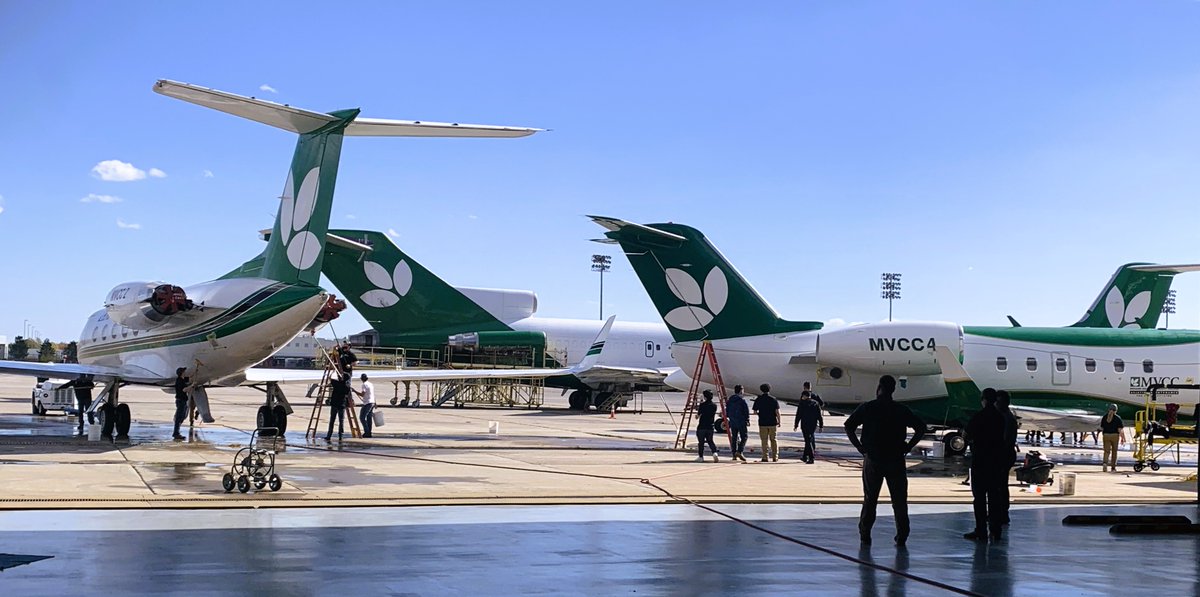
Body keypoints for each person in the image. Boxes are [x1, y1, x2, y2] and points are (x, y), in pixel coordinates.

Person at [845, 375, 928, 546]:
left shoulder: (868, 408)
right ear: (893, 389)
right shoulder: (901, 409)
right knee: (899, 501)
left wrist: (860, 447)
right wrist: (908, 446)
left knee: (870, 499)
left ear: (879, 388)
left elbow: (849, 426)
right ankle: (902, 534)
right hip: (895, 459)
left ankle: (865, 533)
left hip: (873, 458)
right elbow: (921, 428)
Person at [964, 388, 1007, 541]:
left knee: (980, 498)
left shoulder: (978, 417)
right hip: (995, 461)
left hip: (980, 461)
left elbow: (967, 434)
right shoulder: (1000, 418)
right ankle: (996, 530)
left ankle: (980, 530)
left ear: (983, 399)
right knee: (995, 497)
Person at [995, 390, 1018, 526]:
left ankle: (1002, 513)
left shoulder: (1006, 419)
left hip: (1003, 455)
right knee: (1001, 485)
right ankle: (1002, 512)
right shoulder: (1007, 417)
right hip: (1006, 454)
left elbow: (1005, 440)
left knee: (1000, 485)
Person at [793, 386, 825, 464]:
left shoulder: (802, 404)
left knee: (808, 441)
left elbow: (798, 415)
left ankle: (811, 457)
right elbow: (819, 416)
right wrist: (821, 426)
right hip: (813, 424)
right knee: (809, 439)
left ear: (804, 396)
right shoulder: (816, 403)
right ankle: (805, 456)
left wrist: (796, 425)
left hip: (805, 424)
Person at [753, 383, 781, 462]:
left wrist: (760, 414)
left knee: (764, 440)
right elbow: (777, 412)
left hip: (762, 422)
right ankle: (775, 457)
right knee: (774, 440)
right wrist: (779, 421)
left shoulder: (759, 399)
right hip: (772, 422)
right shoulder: (773, 399)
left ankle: (765, 457)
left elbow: (755, 411)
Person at [725, 385, 750, 462]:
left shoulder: (730, 400)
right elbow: (746, 411)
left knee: (734, 437)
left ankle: (734, 454)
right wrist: (747, 420)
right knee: (744, 436)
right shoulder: (741, 401)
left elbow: (727, 410)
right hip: (741, 421)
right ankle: (740, 451)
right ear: (741, 391)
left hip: (732, 421)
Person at [1099, 404, 1126, 472]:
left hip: (1106, 435)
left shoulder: (1104, 417)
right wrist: (1123, 438)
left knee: (1106, 451)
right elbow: (1120, 430)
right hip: (1115, 436)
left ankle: (1105, 463)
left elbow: (1102, 428)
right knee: (1114, 452)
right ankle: (1113, 467)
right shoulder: (1117, 418)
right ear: (1116, 410)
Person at [326, 372, 352, 442]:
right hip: (342, 404)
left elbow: (330, 378)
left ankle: (329, 435)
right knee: (341, 421)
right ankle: (341, 436)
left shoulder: (337, 383)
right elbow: (347, 394)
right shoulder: (347, 386)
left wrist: (332, 372)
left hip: (334, 404)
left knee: (332, 420)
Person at [695, 390, 719, 462]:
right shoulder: (714, 406)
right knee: (710, 441)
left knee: (701, 442)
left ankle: (701, 457)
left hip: (702, 426)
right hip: (710, 426)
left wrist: (696, 415)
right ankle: (714, 453)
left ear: (705, 397)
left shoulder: (702, 405)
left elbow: (698, 416)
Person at [352, 373, 376, 438]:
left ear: (362, 379)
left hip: (367, 403)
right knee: (369, 418)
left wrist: (354, 391)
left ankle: (367, 432)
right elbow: (372, 394)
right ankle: (369, 432)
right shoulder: (370, 384)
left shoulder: (364, 385)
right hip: (372, 402)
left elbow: (362, 394)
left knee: (362, 417)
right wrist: (375, 403)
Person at [172, 367, 191, 440]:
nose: (185, 372)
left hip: (182, 400)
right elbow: (184, 389)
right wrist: (191, 386)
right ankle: (176, 433)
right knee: (179, 417)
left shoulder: (182, 380)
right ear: (182, 373)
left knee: (182, 416)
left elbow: (190, 378)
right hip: (181, 401)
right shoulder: (180, 381)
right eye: (184, 371)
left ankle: (177, 432)